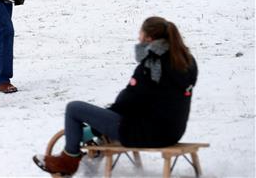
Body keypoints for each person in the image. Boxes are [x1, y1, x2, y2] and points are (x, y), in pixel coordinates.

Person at [33, 17, 197, 176]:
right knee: (115, 116)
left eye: (140, 33)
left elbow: (128, 100)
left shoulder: (151, 64)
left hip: (147, 133)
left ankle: (68, 161)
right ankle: (95, 150)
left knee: (74, 108)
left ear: (148, 38)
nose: (138, 37)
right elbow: (154, 99)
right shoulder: (187, 62)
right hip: (173, 131)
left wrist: (104, 119)